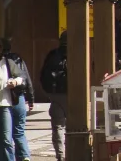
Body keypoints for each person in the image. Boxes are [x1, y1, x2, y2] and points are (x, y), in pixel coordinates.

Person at [0, 35, 25, 161]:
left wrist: (15, 81)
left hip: (4, 105)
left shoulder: (7, 63)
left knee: (6, 139)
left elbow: (21, 76)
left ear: (0, 48)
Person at [2, 38, 32, 161]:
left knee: (6, 132)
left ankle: (10, 157)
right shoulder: (17, 58)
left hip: (4, 99)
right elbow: (26, 78)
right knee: (19, 131)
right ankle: (24, 156)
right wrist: (31, 98)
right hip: (18, 96)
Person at [40, 32, 67, 161]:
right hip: (76, 95)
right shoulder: (79, 53)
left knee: (58, 127)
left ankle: (60, 155)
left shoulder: (52, 55)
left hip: (56, 95)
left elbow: (43, 76)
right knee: (76, 127)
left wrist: (49, 93)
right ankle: (75, 153)